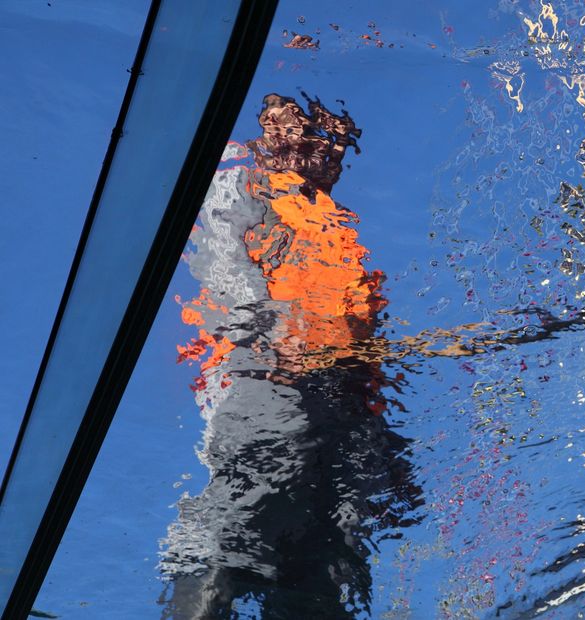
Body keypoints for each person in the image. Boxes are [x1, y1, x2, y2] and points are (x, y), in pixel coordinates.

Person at [159, 94, 419, 619]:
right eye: (308, 140)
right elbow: (221, 258)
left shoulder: (331, 226)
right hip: (267, 382)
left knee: (325, 555)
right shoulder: (243, 189)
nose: (322, 155)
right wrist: (266, 330)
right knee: (234, 521)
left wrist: (379, 442)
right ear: (274, 139)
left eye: (332, 147)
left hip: (340, 408)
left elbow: (364, 346)